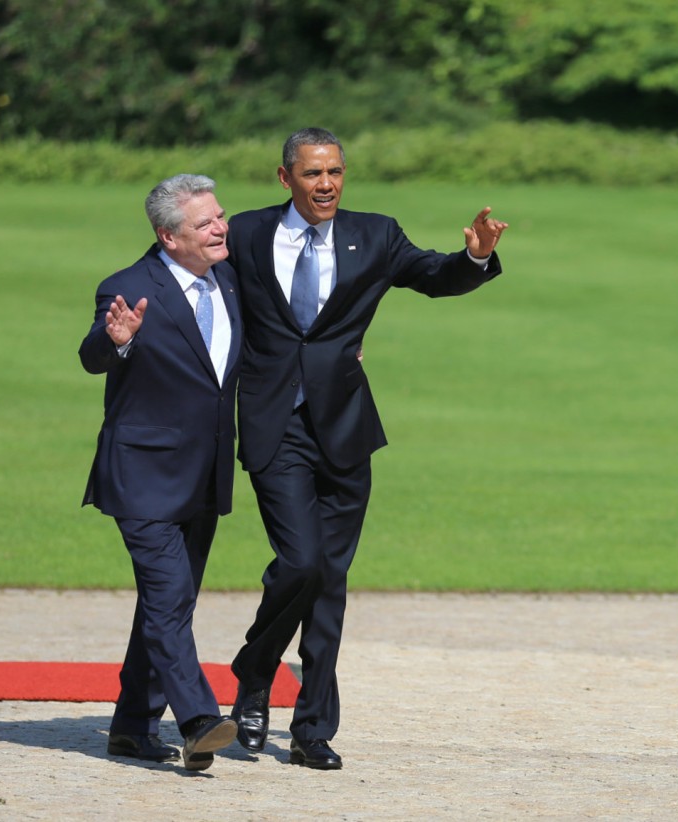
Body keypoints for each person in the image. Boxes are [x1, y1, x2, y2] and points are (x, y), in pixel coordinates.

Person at [226, 127, 508, 770]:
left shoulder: (375, 234)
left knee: (331, 578)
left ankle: (312, 728)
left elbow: (434, 276)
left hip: (347, 429)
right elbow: (186, 274)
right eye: (311, 174)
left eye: (335, 172)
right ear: (285, 178)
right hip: (275, 425)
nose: (325, 184)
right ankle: (255, 670)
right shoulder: (245, 233)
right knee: (300, 563)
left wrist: (475, 258)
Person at [79, 173, 241, 771]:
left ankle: (131, 727)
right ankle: (198, 719)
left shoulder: (230, 282)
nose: (221, 227)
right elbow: (93, 351)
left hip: (206, 474)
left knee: (167, 604)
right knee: (170, 598)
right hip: (142, 473)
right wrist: (115, 341)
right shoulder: (127, 288)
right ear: (169, 237)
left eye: (219, 216)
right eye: (205, 223)